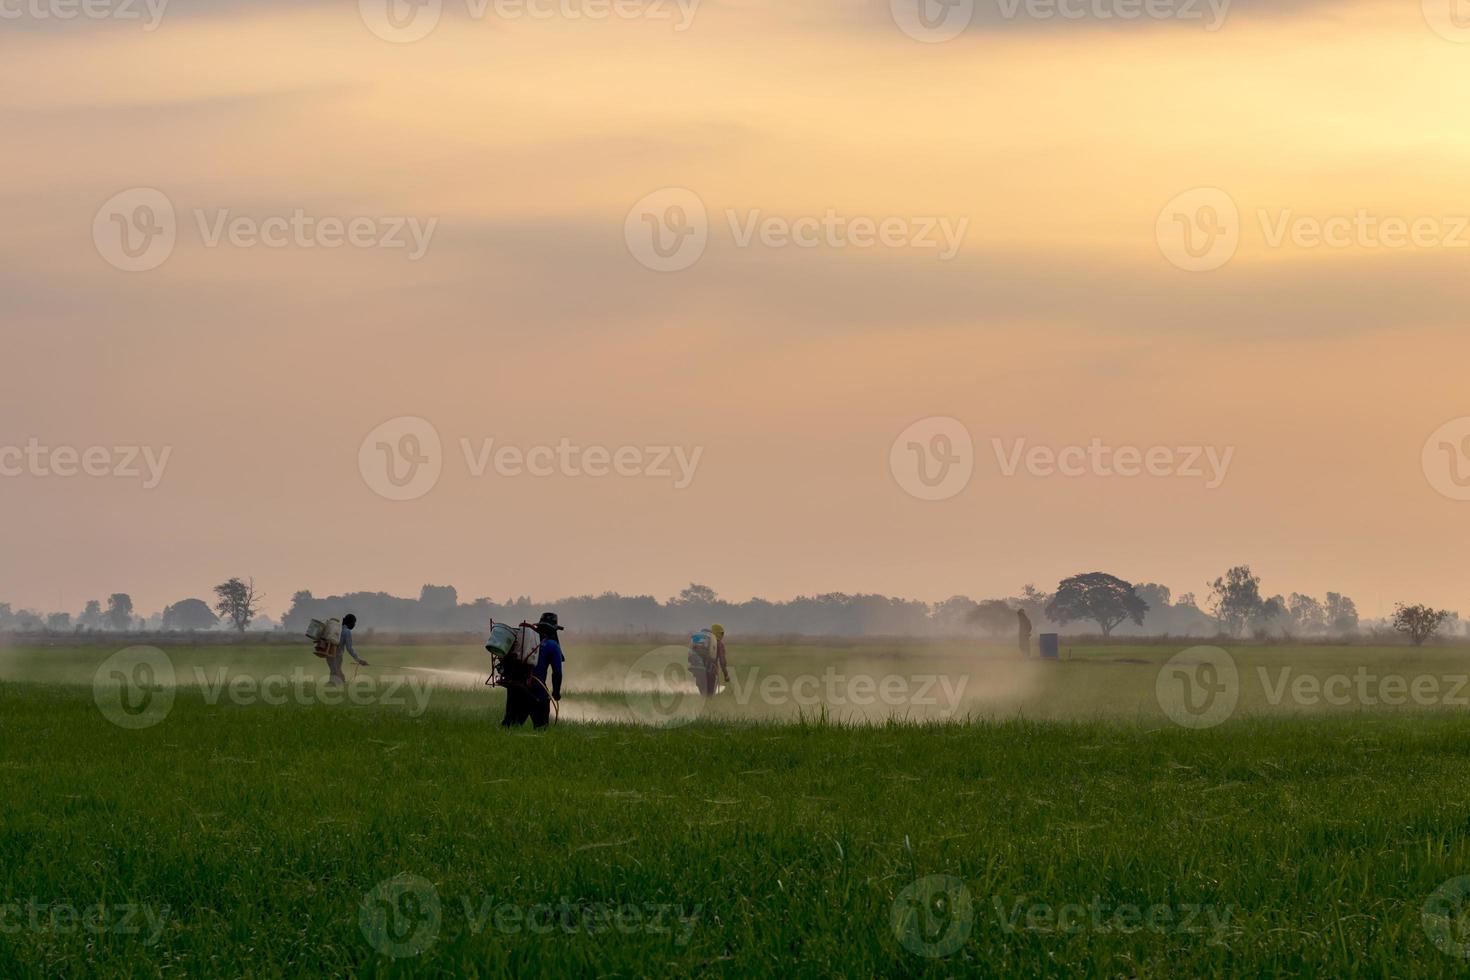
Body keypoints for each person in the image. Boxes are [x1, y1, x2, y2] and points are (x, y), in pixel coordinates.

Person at [502, 612, 564, 729]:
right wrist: (556, 692)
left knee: (509, 727)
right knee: (541, 729)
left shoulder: (524, 642)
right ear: (553, 629)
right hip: (537, 691)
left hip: (515, 688)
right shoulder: (552, 645)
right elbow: (557, 673)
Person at [327, 613, 369, 685]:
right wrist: (359, 660)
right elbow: (349, 649)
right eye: (354, 622)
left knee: (334, 673)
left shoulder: (337, 628)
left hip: (328, 654)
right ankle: (338, 687)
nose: (354, 625)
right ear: (350, 622)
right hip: (337, 656)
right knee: (337, 674)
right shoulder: (347, 632)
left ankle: (333, 687)